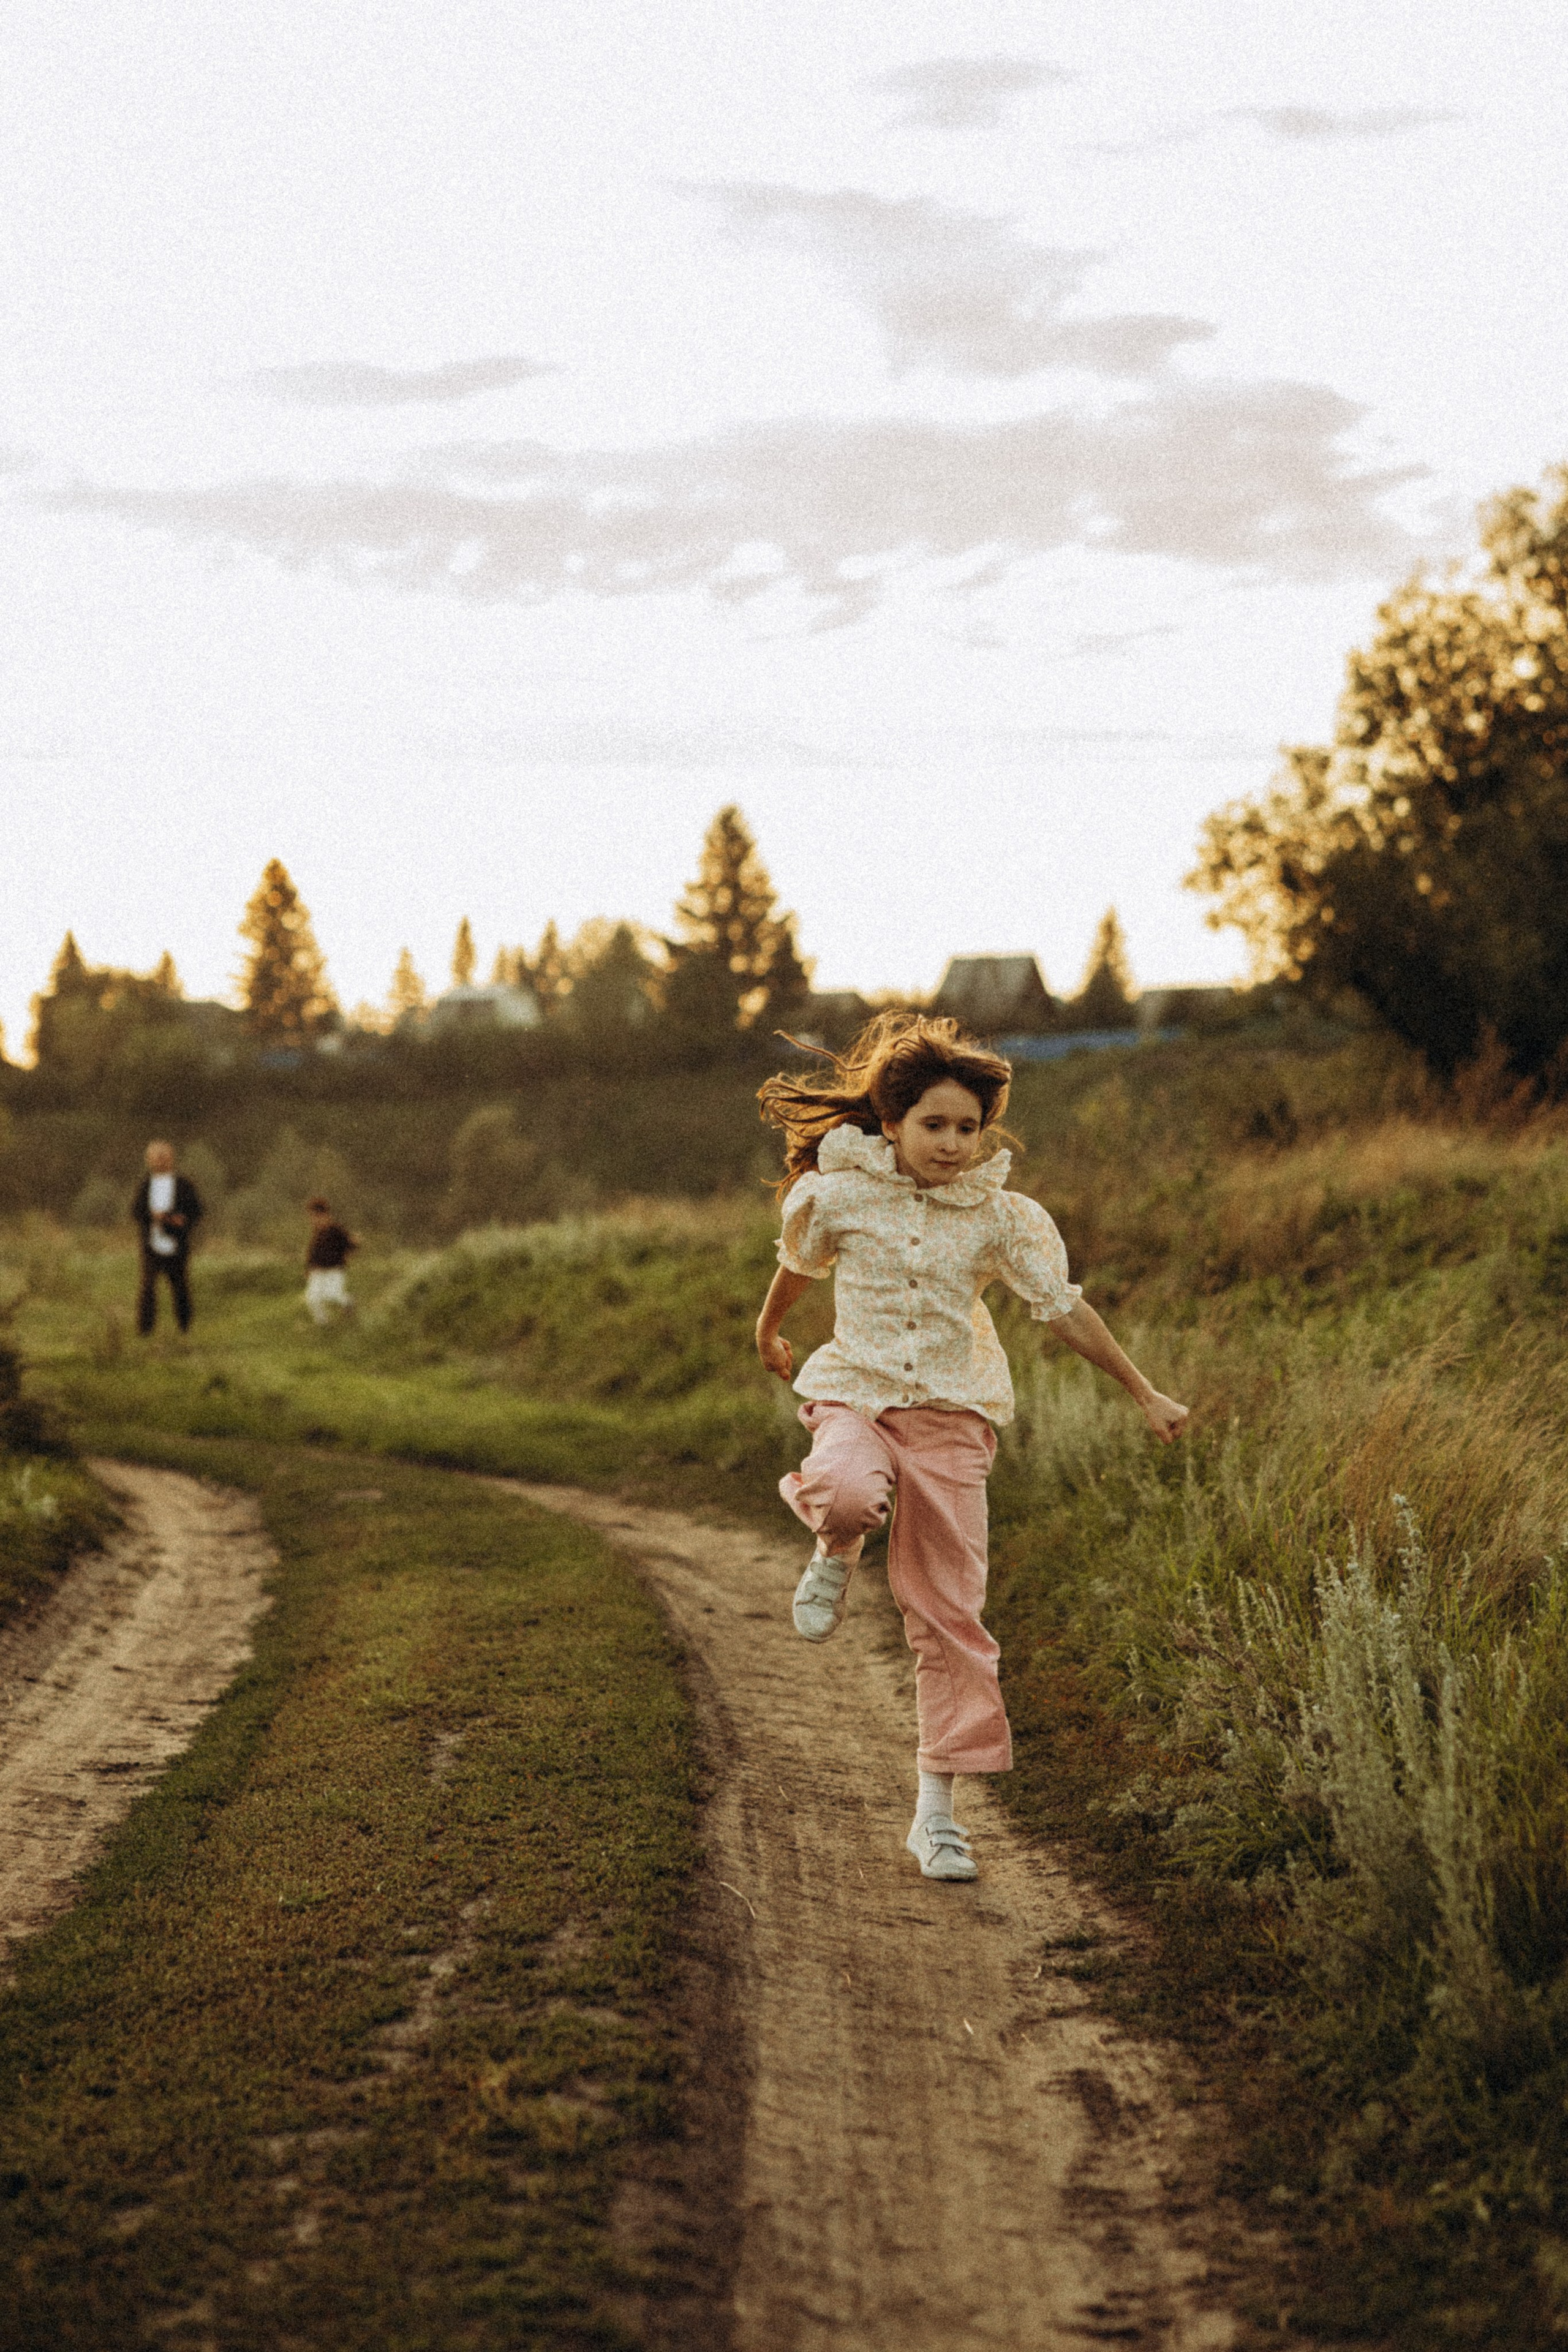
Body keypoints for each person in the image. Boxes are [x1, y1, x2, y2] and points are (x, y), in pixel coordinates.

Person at [754, 1013, 1188, 1885]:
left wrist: (1143, 1390)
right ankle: (834, 1549)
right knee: (843, 1492)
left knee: (950, 1618)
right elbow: (799, 1263)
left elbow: (1063, 1309)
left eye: (967, 1129)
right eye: (934, 1126)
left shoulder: (1002, 1218)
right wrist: (769, 1331)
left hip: (954, 1417)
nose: (952, 1145)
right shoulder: (838, 1195)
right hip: (858, 1394)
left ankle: (937, 1817)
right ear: (891, 1122)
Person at [131, 1139, 203, 1335]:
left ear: (171, 1159)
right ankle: (145, 1330)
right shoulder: (145, 1185)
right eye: (156, 1158)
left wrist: (181, 1220)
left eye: (164, 1158)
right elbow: (136, 1212)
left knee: (180, 1286)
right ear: (149, 1160)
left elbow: (196, 1211)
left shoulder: (183, 1185)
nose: (160, 1162)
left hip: (178, 1244)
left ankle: (185, 1327)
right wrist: (153, 1216)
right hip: (151, 1244)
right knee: (147, 1287)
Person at [304, 1196, 358, 1324]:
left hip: (335, 1269)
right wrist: (308, 1268)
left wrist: (355, 1244)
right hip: (318, 1270)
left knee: (332, 1295)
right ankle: (323, 1324)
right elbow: (313, 1252)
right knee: (312, 1298)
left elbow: (349, 1245)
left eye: (315, 1216)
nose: (312, 1220)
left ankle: (349, 1302)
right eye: (311, 1217)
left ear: (324, 1215)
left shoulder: (336, 1230)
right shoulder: (317, 1232)